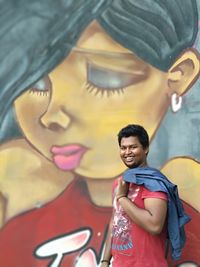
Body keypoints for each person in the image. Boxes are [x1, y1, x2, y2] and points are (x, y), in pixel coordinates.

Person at [0, 0, 200, 266]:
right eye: (35, 82)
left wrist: (123, 202)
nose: (51, 117)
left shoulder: (166, 189)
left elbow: (152, 227)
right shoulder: (18, 191)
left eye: (104, 77)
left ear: (179, 76)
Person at [100, 124, 190, 267]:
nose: (127, 152)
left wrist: (122, 198)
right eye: (123, 148)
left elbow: (155, 226)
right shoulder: (120, 183)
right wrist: (105, 261)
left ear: (145, 149)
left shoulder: (153, 184)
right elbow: (115, 222)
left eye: (133, 147)